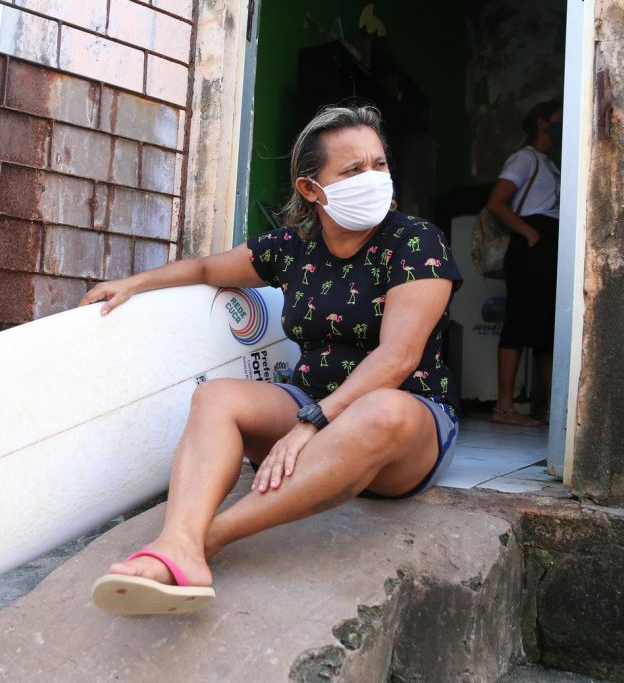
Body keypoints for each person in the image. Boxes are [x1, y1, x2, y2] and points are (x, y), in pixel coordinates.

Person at [82, 105, 462, 615]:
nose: (372, 179)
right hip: (309, 400)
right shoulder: (294, 246)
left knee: (381, 409)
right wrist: (134, 283)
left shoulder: (417, 242)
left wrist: (311, 424)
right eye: (352, 171)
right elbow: (203, 267)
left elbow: (398, 357)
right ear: (311, 189)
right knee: (216, 396)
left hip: (405, 419)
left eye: (379, 165)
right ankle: (178, 541)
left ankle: (205, 541)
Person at [485, 100, 562, 427]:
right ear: (542, 122)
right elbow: (496, 202)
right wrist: (530, 233)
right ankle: (504, 408)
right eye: (560, 116)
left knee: (548, 330)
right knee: (519, 323)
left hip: (549, 246)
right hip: (532, 243)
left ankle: (551, 411)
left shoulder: (552, 163)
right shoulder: (525, 158)